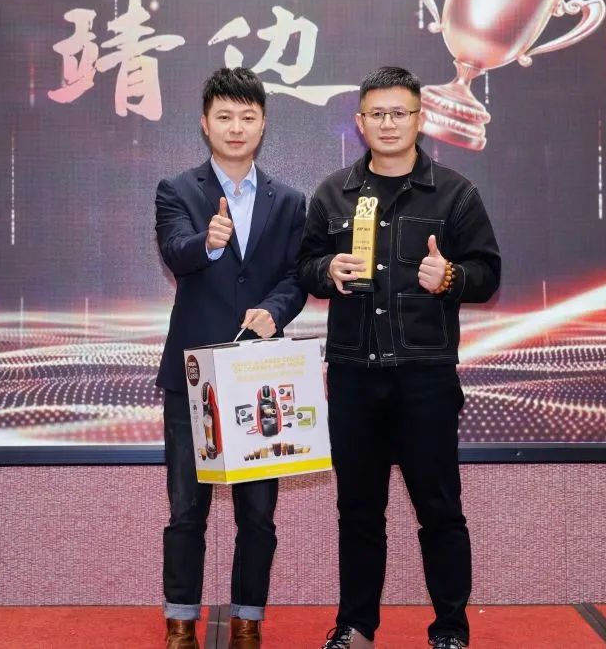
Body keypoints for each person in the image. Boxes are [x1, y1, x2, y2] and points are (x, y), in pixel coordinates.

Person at [298, 67, 501, 649]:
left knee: (440, 508)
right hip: (354, 376)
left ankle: (450, 630)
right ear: (360, 123)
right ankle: (356, 627)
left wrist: (452, 276)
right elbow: (305, 266)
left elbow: (488, 273)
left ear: (420, 119)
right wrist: (327, 270)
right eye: (377, 114)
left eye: (400, 113)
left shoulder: (455, 193)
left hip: (425, 377)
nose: (388, 124)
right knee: (358, 510)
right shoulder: (332, 194)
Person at [155, 67, 309, 649]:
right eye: (224, 116)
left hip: (259, 374)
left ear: (263, 124)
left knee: (259, 513)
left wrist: (274, 310)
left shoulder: (289, 201)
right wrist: (208, 242)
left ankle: (248, 621)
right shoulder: (178, 190)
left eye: (247, 116)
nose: (236, 127)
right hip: (192, 374)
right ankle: (180, 623)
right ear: (205, 123)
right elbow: (176, 251)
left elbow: (297, 276)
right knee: (186, 509)